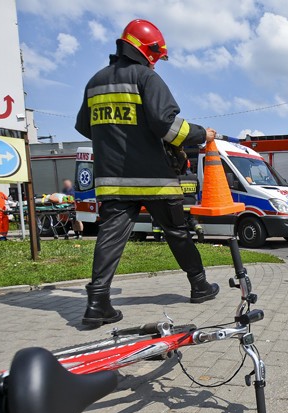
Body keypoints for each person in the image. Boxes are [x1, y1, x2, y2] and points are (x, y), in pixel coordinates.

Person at [75, 19, 220, 327]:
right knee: (177, 233)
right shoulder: (146, 78)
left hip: (112, 179)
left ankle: (97, 303)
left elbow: (86, 127)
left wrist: (118, 140)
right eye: (156, 53)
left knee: (110, 237)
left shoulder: (95, 82)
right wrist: (201, 135)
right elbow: (168, 128)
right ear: (146, 50)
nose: (156, 61)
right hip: (155, 178)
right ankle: (199, 286)